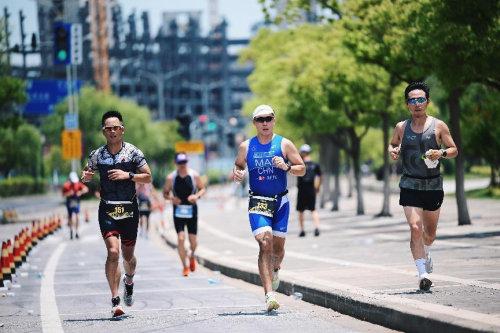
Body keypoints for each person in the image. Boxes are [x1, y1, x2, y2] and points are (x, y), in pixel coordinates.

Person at [233, 104, 305, 311]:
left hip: (281, 202)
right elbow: (238, 165)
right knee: (265, 243)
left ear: (274, 120)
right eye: (260, 119)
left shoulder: (284, 144)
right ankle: (269, 295)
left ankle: (275, 269)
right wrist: (237, 173)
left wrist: (287, 167)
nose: (265, 123)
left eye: (268, 119)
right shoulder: (246, 146)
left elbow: (302, 168)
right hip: (258, 201)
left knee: (278, 251)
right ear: (254, 123)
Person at [81, 110, 152, 317]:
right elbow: (87, 173)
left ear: (122, 129)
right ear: (103, 131)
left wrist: (127, 175)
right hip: (108, 209)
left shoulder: (132, 152)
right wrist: (85, 176)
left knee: (127, 256)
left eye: (115, 128)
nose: (112, 131)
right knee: (113, 253)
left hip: (129, 209)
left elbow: (147, 177)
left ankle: (128, 281)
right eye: (108, 128)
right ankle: (115, 300)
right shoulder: (97, 155)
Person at [388, 81, 458, 291]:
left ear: (427, 102)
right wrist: (392, 151)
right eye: (412, 100)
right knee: (414, 227)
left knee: (429, 235)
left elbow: (454, 149)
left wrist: (442, 153)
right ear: (407, 104)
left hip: (433, 186)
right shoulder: (401, 127)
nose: (417, 104)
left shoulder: (439, 126)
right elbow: (393, 144)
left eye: (421, 100)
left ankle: (425, 253)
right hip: (409, 184)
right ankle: (422, 274)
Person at [163, 153, 206, 277]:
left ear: (187, 162)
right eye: (180, 163)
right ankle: (185, 266)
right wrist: (172, 198)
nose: (182, 165)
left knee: (193, 242)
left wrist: (196, 196)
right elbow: (165, 193)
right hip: (178, 211)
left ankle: (192, 255)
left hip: (192, 210)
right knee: (181, 239)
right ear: (176, 163)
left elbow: (203, 189)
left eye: (184, 163)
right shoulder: (171, 177)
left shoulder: (194, 175)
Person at [296, 144, 322, 237]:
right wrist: (318, 187)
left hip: (301, 190)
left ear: (302, 153)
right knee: (313, 209)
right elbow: (320, 176)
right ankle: (317, 228)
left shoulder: (299, 165)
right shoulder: (315, 165)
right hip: (311, 189)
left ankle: (302, 230)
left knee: (300, 210)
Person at [62, 171, 89, 240]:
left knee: (77, 216)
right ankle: (71, 231)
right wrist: (69, 194)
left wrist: (80, 192)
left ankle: (76, 232)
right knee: (70, 217)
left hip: (76, 201)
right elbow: (63, 195)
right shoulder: (66, 185)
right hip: (69, 201)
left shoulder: (78, 184)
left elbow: (86, 189)